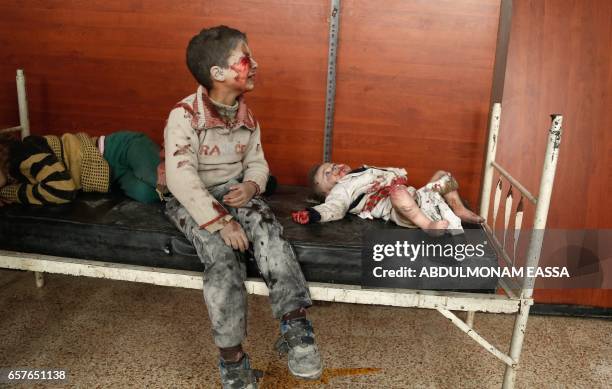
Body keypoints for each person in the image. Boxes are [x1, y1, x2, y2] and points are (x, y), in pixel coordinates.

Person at [163, 26, 322, 388]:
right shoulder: (185, 116)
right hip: (194, 199)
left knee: (270, 235)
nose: (255, 65)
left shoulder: (248, 119)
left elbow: (258, 164)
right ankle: (232, 360)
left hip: (236, 192)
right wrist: (222, 223)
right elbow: (181, 179)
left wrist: (251, 185)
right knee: (221, 259)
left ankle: (296, 328)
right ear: (217, 74)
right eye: (245, 58)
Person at [291, 163, 484, 234]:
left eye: (332, 165)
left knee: (444, 174)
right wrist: (314, 214)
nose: (334, 169)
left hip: (417, 196)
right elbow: (334, 207)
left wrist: (397, 175)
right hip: (399, 210)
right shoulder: (340, 191)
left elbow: (386, 172)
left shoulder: (361, 171)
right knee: (398, 194)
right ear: (327, 192)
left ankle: (459, 209)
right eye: (328, 174)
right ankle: (427, 225)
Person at [0, 131, 166, 206]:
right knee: (148, 195)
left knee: (158, 179)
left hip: (117, 150)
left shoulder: (24, 153)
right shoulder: (13, 174)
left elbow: (62, 190)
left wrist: (11, 193)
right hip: (115, 177)